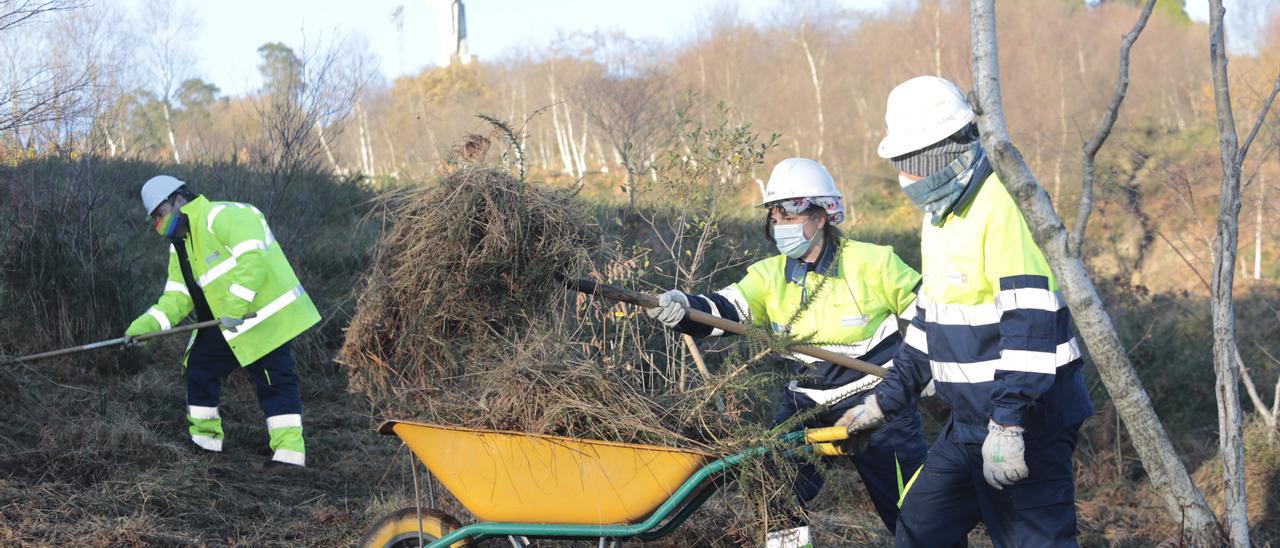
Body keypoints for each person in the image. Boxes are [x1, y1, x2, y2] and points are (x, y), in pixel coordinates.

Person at [837, 76, 1094, 547]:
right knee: (920, 529)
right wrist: (882, 403)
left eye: (907, 165)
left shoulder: (1002, 205)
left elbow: (1031, 324)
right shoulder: (939, 217)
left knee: (1034, 541)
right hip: (969, 425)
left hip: (1027, 420)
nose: (904, 178)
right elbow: (926, 327)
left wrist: (1008, 422)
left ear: (934, 155)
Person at [646, 158, 927, 548]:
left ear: (822, 216)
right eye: (775, 216)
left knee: (912, 507)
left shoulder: (873, 262)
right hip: (806, 402)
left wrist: (924, 366)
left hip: (877, 402)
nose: (781, 225)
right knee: (775, 486)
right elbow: (726, 309)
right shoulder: (768, 275)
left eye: (790, 215)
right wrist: (685, 309)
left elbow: (931, 312)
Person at [124, 175, 321, 467]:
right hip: (227, 323)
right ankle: (205, 444)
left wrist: (235, 306)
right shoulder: (180, 247)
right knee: (200, 366)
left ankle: (289, 457)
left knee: (274, 381)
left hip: (266, 318)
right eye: (154, 219)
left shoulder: (225, 215)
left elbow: (253, 260)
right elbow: (176, 298)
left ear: (179, 199)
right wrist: (145, 327)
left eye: (161, 215)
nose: (159, 224)